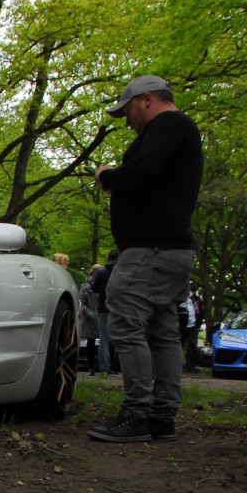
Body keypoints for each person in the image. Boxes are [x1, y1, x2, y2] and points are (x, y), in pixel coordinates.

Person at [87, 76, 203, 443]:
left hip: (151, 250)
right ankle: (161, 417)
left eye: (128, 111)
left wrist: (108, 176)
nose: (127, 121)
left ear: (147, 99)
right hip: (172, 250)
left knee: (125, 318)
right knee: (163, 331)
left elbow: (143, 169)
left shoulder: (169, 124)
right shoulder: (181, 131)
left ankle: (137, 413)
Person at [92, 250, 118, 376]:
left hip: (104, 308)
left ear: (108, 258)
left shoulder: (101, 272)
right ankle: (118, 366)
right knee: (121, 338)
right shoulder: (122, 271)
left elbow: (94, 288)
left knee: (104, 340)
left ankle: (104, 367)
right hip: (120, 309)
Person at [79, 265, 101, 375]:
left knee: (102, 342)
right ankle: (91, 367)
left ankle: (101, 366)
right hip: (91, 319)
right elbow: (81, 303)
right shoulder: (86, 287)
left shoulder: (101, 284)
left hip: (100, 317)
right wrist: (90, 314)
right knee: (91, 342)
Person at [179, 283, 203, 372]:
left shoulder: (196, 299)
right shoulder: (179, 297)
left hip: (193, 325)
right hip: (180, 326)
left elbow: (199, 311)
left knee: (192, 346)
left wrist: (198, 322)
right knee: (179, 345)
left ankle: (190, 366)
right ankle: (178, 365)